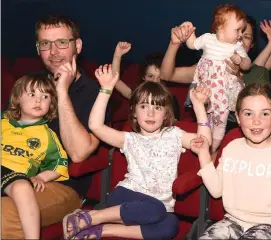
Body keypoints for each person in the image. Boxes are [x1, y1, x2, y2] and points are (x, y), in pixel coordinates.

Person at [62, 64, 212, 239]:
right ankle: (92, 216)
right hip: (125, 197)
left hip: (158, 209)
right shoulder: (129, 139)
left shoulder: (175, 135)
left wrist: (199, 106)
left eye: (157, 108)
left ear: (166, 114)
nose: (150, 113)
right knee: (156, 209)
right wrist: (106, 89)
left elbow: (204, 143)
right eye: (144, 107)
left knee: (171, 225)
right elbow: (95, 126)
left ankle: (101, 229)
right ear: (133, 112)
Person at [1, 15, 110, 239]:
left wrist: (61, 91)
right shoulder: (29, 85)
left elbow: (79, 154)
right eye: (45, 44)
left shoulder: (95, 93)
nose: (54, 51)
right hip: (10, 173)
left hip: (60, 185)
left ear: (77, 46)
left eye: (62, 42)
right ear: (37, 48)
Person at [191, 83, 271, 239]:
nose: (256, 121)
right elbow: (216, 190)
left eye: (265, 114)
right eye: (248, 114)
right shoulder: (232, 147)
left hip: (270, 226)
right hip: (232, 221)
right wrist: (203, 153)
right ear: (238, 118)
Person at [1, 74, 69, 239]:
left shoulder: (48, 135)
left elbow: (59, 164)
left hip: (15, 175)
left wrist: (42, 177)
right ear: (17, 98)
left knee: (23, 188)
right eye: (32, 94)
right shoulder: (3, 122)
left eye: (45, 96)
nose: (38, 100)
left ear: (51, 104)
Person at [181, 4, 252, 153]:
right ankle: (205, 146)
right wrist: (188, 30)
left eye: (242, 30)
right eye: (237, 30)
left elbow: (247, 65)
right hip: (205, 88)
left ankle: (212, 149)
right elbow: (192, 44)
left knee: (221, 119)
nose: (240, 35)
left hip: (223, 91)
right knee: (204, 116)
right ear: (220, 27)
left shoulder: (237, 46)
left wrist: (241, 61)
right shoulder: (207, 39)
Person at [111, 42, 180, 119]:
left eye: (159, 77)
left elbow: (175, 123)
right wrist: (117, 55)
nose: (155, 81)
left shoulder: (170, 99)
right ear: (144, 77)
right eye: (150, 76)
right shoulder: (138, 95)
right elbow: (116, 82)